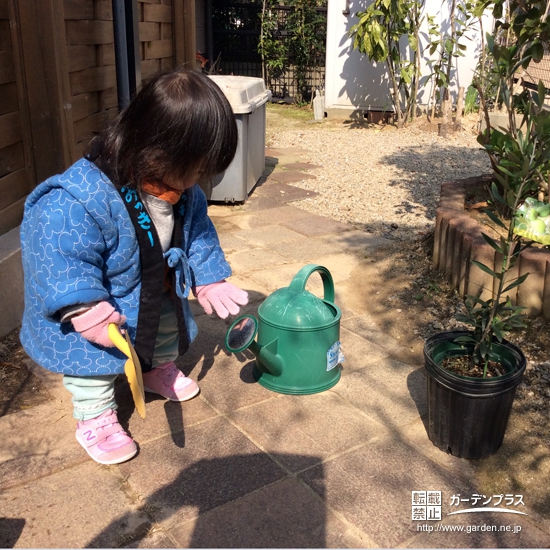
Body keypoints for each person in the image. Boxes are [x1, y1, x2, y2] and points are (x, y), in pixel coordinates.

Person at [19, 69, 249, 465]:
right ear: (157, 148)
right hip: (100, 301)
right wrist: (83, 309)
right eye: (195, 167)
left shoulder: (182, 190)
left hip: (153, 286)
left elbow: (197, 234)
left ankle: (155, 368)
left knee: (164, 327)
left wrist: (209, 280)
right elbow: (60, 252)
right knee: (91, 356)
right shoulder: (80, 195)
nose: (198, 179)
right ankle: (95, 416)